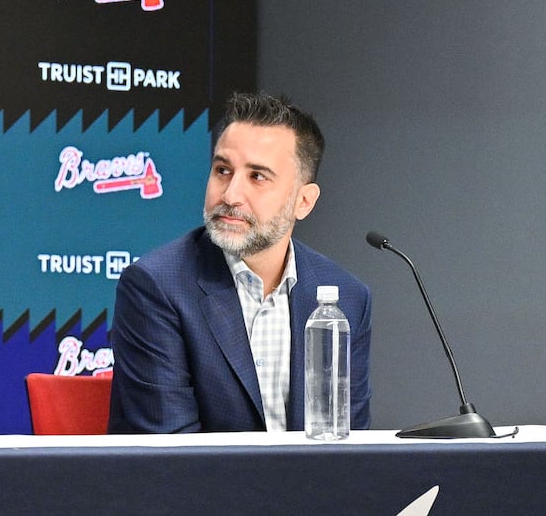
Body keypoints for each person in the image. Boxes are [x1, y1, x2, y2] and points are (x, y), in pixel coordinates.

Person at [108, 92, 371, 433]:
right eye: (222, 170)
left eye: (257, 177)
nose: (230, 195)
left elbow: (351, 447)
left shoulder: (348, 299)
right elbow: (171, 457)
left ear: (303, 202)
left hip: (311, 487)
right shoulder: (156, 287)